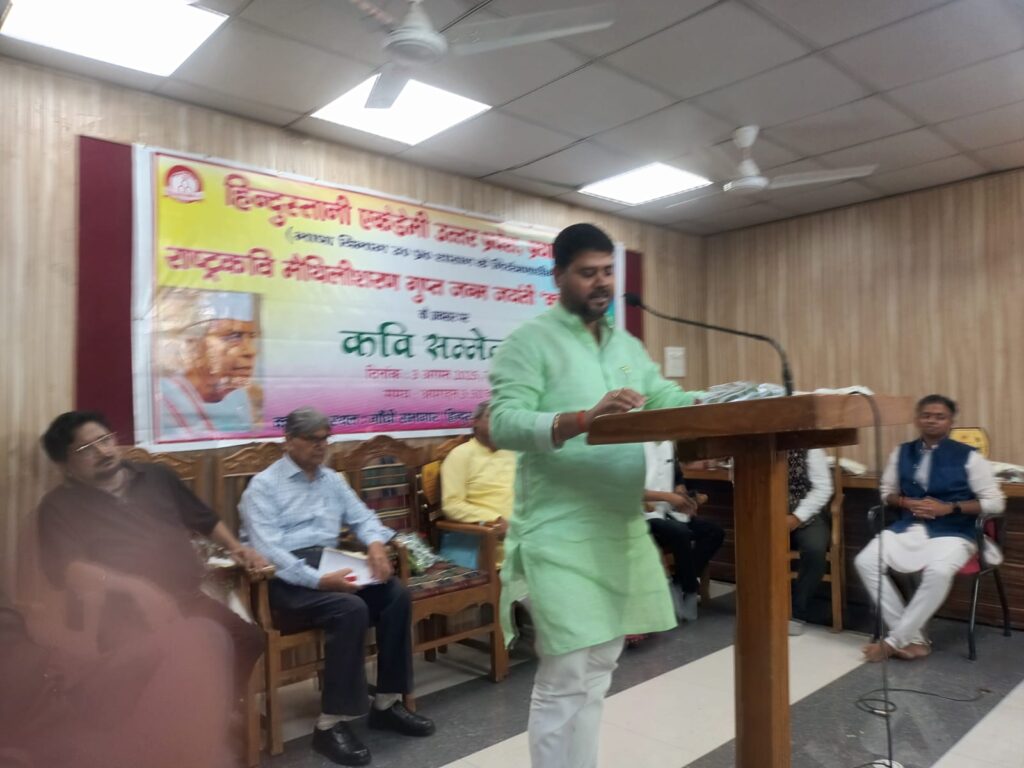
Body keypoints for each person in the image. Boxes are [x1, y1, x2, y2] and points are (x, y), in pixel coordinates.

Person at [488, 223, 705, 768]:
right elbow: (503, 422)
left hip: (619, 527)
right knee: (566, 671)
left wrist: (721, 402)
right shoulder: (529, 342)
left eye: (608, 271)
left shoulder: (626, 345)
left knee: (602, 665)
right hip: (559, 530)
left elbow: (664, 396)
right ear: (559, 275)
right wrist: (584, 419)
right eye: (588, 273)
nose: (602, 282)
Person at [239, 407, 434, 767]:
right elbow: (269, 553)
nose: (321, 446)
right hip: (283, 581)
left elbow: (364, 518)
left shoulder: (332, 480)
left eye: (325, 439)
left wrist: (375, 544)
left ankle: (387, 703)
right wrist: (318, 581)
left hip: (329, 565)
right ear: (289, 441)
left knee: (395, 595)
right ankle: (330, 724)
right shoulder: (263, 487)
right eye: (312, 439)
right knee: (350, 608)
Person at [35, 410, 266, 710]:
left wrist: (237, 548)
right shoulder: (59, 506)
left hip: (186, 599)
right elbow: (67, 569)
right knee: (171, 660)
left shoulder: (157, 477)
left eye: (105, 440)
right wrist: (133, 587)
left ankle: (208, 711)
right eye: (86, 449)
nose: (102, 451)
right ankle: (178, 717)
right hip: (116, 615)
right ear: (65, 464)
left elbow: (204, 519)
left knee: (248, 639)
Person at [0, 570, 237, 768]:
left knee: (205, 636)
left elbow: (26, 630)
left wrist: (133, 586)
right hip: (32, 712)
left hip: (64, 671)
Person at [855, 394, 1005, 662]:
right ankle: (913, 639)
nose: (932, 421)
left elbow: (996, 502)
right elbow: (886, 492)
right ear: (917, 419)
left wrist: (950, 508)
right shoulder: (902, 452)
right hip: (910, 527)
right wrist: (904, 502)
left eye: (940, 416)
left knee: (938, 571)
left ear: (950, 422)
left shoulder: (969, 457)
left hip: (955, 531)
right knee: (865, 561)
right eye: (926, 415)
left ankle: (892, 642)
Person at [156, 289, 260, 439]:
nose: (251, 351)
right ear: (193, 346)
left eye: (252, 338)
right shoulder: (162, 397)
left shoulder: (238, 396)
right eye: (234, 336)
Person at [642, 441, 724, 623]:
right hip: (643, 515)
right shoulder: (636, 446)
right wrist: (668, 497)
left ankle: (680, 582)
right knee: (680, 532)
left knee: (714, 532)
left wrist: (683, 497)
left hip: (669, 511)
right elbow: (630, 491)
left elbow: (678, 479)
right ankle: (691, 589)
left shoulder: (668, 445)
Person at [439, 400, 516, 568]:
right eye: (491, 417)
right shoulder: (460, 455)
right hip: (488, 539)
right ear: (475, 422)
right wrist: (494, 520)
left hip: (526, 533)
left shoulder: (512, 453)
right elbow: (452, 505)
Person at [785, 448, 833, 635]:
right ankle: (763, 606)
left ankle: (797, 610)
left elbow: (823, 487)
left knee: (815, 549)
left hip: (806, 512)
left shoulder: (811, 448)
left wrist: (798, 517)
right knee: (753, 544)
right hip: (768, 510)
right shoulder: (759, 447)